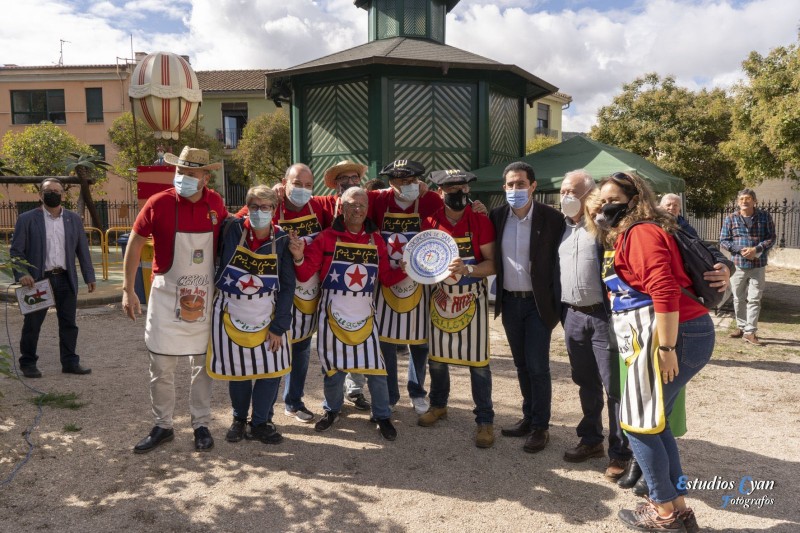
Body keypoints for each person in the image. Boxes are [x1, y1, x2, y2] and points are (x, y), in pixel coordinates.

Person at [596, 171, 715, 532]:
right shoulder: (636, 231)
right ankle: (679, 510)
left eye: (611, 198)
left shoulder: (642, 231)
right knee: (655, 423)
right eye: (600, 200)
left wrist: (665, 347)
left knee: (638, 425)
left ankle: (662, 512)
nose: (604, 206)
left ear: (633, 199)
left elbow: (663, 290)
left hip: (671, 335)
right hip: (676, 333)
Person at [123, 146, 228, 454]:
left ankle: (201, 424)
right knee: (161, 364)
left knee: (203, 366)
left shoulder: (216, 204)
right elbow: (136, 240)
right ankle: (163, 425)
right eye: (180, 172)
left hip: (204, 295)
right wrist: (128, 289)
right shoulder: (159, 203)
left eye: (190, 173)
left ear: (205, 176)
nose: (183, 178)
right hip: (166, 293)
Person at [289, 187, 405, 441]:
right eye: (352, 204)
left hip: (364, 311)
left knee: (376, 369)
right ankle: (331, 410)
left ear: (367, 209)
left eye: (362, 205)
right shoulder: (326, 237)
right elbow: (306, 273)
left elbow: (386, 278)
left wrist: (407, 269)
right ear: (341, 207)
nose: (358, 210)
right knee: (333, 369)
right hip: (332, 312)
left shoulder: (376, 239)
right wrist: (298, 258)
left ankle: (383, 415)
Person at [557, 170, 632, 480]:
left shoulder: (605, 229)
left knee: (613, 387)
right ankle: (591, 440)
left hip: (603, 317)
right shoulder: (559, 228)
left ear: (590, 195)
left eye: (572, 192)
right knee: (585, 381)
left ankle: (621, 452)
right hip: (572, 316)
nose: (565, 198)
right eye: (562, 191)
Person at [208, 185, 295, 445]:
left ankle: (260, 423)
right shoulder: (232, 230)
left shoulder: (281, 240)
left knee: (271, 370)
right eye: (254, 207)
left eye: (265, 207)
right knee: (239, 372)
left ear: (274, 210)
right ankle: (238, 419)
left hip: (266, 314)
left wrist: (279, 326)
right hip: (231, 311)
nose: (259, 212)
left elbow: (288, 284)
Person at [417, 169, 496, 448]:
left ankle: (485, 420)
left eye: (462, 188)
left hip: (471, 298)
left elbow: (492, 263)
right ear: (440, 193)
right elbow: (421, 262)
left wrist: (470, 268)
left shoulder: (480, 220)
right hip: (440, 299)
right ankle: (439, 405)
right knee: (437, 360)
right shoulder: (429, 223)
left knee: (479, 365)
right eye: (451, 189)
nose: (457, 193)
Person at [489, 162, 564, 454]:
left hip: (538, 304)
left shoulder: (552, 218)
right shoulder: (497, 217)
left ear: (533, 186)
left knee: (537, 366)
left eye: (521, 184)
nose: (515, 189)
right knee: (520, 365)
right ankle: (529, 417)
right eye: (510, 185)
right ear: (503, 187)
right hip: (509, 302)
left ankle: (540, 427)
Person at [371, 159, 444, 415]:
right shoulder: (377, 201)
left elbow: (449, 223)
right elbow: (349, 198)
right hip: (387, 280)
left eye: (414, 180)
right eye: (404, 181)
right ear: (391, 183)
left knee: (420, 342)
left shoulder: (431, 201)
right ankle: (391, 395)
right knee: (386, 341)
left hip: (421, 281)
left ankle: (417, 391)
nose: (411, 185)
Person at [11, 178, 96, 378]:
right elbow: (16, 251)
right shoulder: (27, 219)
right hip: (38, 281)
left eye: (57, 191)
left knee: (69, 323)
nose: (54, 193)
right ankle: (28, 362)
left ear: (63, 195)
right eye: (49, 190)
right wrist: (23, 273)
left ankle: (70, 362)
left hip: (65, 278)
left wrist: (89, 276)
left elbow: (82, 250)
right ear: (40, 194)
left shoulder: (73, 219)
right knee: (32, 324)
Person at [273, 164, 333, 423]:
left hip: (309, 290)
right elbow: (241, 220)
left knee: (301, 348)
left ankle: (293, 401)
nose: (302, 190)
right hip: (277, 292)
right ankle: (262, 409)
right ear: (284, 182)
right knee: (273, 347)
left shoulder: (319, 207)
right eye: (297, 183)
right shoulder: (271, 204)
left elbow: (361, 199)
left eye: (308, 185)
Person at [720, 188, 776, 346]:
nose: (745, 201)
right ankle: (741, 327)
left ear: (754, 201)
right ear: (738, 202)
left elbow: (771, 237)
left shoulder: (764, 216)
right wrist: (740, 250)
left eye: (748, 198)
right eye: (742, 199)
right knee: (738, 298)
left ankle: (750, 332)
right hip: (738, 264)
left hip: (758, 264)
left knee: (754, 299)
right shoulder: (731, 218)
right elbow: (724, 240)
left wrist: (756, 249)